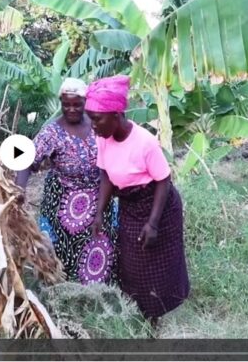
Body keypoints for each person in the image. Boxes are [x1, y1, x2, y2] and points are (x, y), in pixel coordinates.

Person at [87, 75, 190, 329]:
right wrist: (99, 212)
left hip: (158, 205)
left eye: (97, 119)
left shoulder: (144, 142)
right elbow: (106, 177)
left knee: (160, 262)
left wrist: (153, 224)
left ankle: (155, 315)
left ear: (116, 114)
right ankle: (139, 310)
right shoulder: (103, 139)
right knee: (133, 262)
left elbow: (164, 180)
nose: (93, 126)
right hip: (130, 206)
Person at [15, 78, 118, 285]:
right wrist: (19, 190)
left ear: (85, 103)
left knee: (101, 250)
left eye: (77, 104)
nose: (71, 109)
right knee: (62, 253)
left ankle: (98, 295)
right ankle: (64, 293)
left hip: (99, 199)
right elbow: (26, 160)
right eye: (66, 104)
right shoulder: (52, 132)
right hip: (63, 204)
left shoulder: (97, 124)